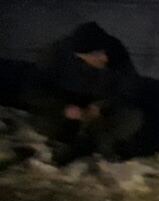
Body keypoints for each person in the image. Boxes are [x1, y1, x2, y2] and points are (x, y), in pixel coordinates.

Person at [25, 22, 144, 165]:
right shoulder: (54, 55)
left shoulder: (116, 50)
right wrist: (64, 109)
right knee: (44, 123)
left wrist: (101, 106)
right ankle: (70, 144)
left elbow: (130, 87)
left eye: (104, 51)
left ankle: (96, 145)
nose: (104, 58)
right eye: (96, 54)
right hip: (65, 108)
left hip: (100, 112)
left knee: (133, 118)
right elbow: (33, 92)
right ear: (80, 55)